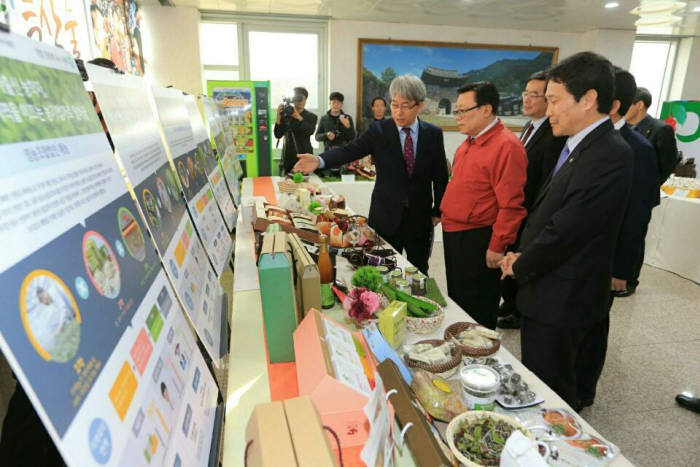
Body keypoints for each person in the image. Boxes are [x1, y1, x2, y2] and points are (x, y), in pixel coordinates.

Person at [500, 52, 634, 411]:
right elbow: (549, 215)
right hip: (549, 287)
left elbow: (568, 229)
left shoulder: (608, 153)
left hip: (563, 296)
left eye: (555, 100)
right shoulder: (579, 145)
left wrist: (521, 264)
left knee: (551, 395)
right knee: (540, 381)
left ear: (588, 99)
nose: (548, 110)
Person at [294, 75, 448, 274]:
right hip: (385, 216)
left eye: (405, 106)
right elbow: (349, 151)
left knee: (418, 270)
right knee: (382, 267)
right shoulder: (379, 131)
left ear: (419, 106)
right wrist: (320, 160)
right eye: (394, 104)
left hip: (419, 218)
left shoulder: (433, 133)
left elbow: (440, 174)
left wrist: (439, 209)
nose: (398, 112)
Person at [440, 81, 527, 330]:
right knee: (459, 299)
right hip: (454, 231)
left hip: (478, 236)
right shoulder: (468, 143)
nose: (457, 117)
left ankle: (480, 357)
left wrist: (498, 245)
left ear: (486, 109)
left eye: (463, 111)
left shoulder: (506, 146)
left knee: (478, 305)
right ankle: (462, 349)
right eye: (456, 111)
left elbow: (512, 205)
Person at [498, 71, 567, 330]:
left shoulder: (554, 135)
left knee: (522, 257)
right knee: (510, 255)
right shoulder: (529, 127)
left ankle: (518, 310)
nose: (527, 100)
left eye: (534, 95)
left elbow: (547, 181)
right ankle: (509, 301)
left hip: (531, 210)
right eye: (525, 94)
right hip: (517, 207)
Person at [621, 86, 679, 296]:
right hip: (621, 192)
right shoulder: (624, 128)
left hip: (642, 193)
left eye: (628, 103)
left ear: (639, 105)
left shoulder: (660, 129)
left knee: (635, 235)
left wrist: (648, 185)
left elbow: (667, 163)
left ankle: (630, 280)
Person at [609, 69, 658, 307]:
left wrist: (622, 268)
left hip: (607, 255)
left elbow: (637, 212)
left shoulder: (638, 148)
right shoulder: (587, 139)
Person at [274, 87, 317, 174]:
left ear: (306, 100)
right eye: (297, 98)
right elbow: (278, 135)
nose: (300, 101)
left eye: (302, 98)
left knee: (305, 185)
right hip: (289, 156)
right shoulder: (286, 115)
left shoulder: (311, 116)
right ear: (293, 100)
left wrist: (298, 117)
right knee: (289, 185)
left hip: (305, 155)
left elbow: (310, 131)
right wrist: (278, 117)